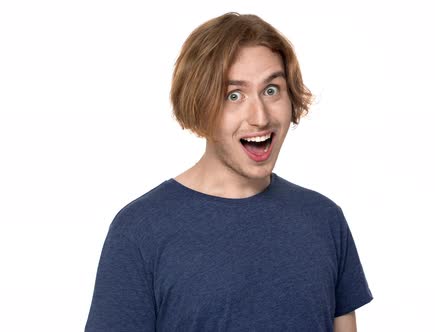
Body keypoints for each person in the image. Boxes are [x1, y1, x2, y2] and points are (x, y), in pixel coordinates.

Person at [85, 12, 373, 331]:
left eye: (272, 90)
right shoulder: (140, 231)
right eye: (233, 95)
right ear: (199, 105)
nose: (260, 116)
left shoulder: (324, 219)